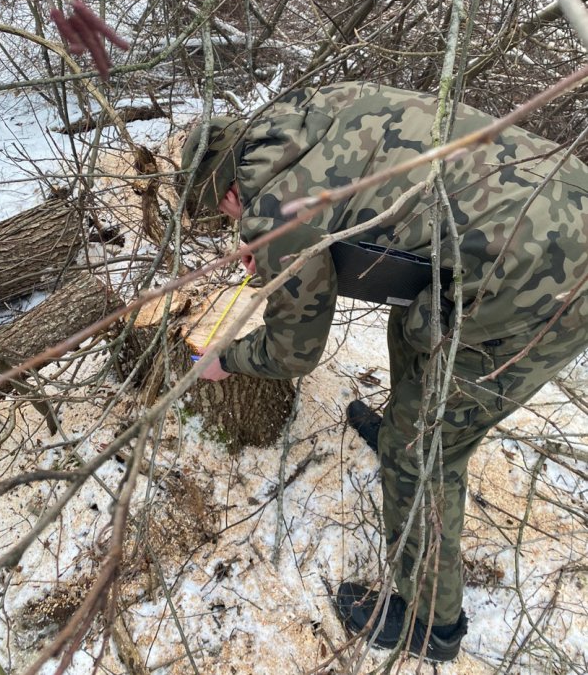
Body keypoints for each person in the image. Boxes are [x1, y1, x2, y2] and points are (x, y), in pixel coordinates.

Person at [180, 81, 588, 662]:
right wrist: (279, 246)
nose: (231, 223)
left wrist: (230, 359)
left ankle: (432, 624)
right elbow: (365, 222)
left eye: (224, 214)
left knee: (428, 449)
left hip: (548, 286)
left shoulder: (274, 210)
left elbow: (296, 351)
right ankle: (402, 423)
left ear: (226, 191)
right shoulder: (309, 107)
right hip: (558, 190)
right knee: (415, 322)